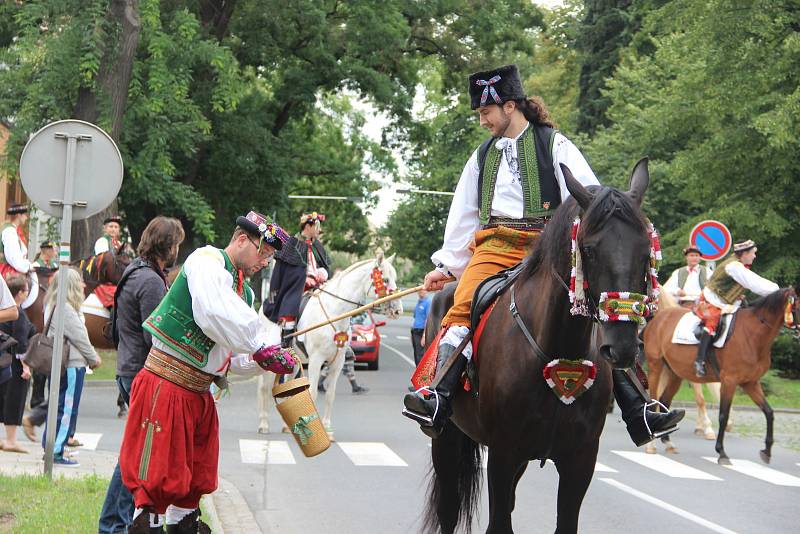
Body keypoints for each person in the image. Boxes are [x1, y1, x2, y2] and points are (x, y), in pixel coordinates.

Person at [402, 64, 685, 442]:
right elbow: (464, 214)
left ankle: (638, 407)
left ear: (509, 106)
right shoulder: (481, 157)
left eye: (486, 112)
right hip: (494, 247)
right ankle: (437, 394)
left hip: (549, 249)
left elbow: (591, 200)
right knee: (462, 304)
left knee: (595, 307)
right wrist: (448, 265)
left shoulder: (555, 144)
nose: (482, 121)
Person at [120, 212, 297, 534]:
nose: (264, 262)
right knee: (155, 483)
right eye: (264, 253)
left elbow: (229, 358)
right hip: (167, 385)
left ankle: (183, 524)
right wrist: (259, 345)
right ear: (242, 240)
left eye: (270, 258)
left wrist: (265, 360)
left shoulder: (246, 295)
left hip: (200, 394)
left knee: (193, 484)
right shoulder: (206, 260)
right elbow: (213, 312)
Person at [98, 216, 185, 534]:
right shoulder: (149, 280)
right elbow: (156, 335)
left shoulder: (137, 270)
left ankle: (119, 522)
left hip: (130, 368)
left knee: (135, 452)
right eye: (176, 243)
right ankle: (113, 525)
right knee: (135, 456)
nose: (177, 249)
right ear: (168, 245)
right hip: (139, 373)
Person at [41, 267, 102, 466]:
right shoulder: (65, 309)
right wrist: (93, 358)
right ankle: (56, 450)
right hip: (72, 365)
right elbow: (80, 337)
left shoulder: (53, 305)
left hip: (60, 364)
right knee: (66, 408)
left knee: (56, 406)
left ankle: (50, 446)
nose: (84, 286)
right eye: (80, 282)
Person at [694, 239, 779, 377]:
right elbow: (755, 284)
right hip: (712, 300)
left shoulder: (739, 265)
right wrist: (778, 291)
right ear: (744, 253)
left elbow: (753, 280)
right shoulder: (734, 266)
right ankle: (700, 360)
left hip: (727, 302)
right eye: (753, 253)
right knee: (712, 322)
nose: (754, 256)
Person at [263, 211, 332, 347]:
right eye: (317, 226)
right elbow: (287, 273)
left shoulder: (317, 246)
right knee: (289, 310)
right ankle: (286, 347)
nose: (320, 230)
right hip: (297, 288)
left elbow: (323, 266)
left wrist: (322, 273)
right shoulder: (291, 244)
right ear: (308, 226)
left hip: (318, 286)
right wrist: (304, 279)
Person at [0, 275, 31, 453]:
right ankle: (11, 440)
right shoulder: (18, 315)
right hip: (13, 362)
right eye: (26, 290)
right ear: (19, 293)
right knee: (14, 400)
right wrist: (26, 365)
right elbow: (20, 342)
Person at [0, 203, 38, 309]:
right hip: (7, 271)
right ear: (18, 215)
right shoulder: (10, 231)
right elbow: (14, 259)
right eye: (24, 214)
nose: (26, 217)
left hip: (9, 268)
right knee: (22, 291)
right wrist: (28, 267)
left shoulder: (11, 229)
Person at [411, 289, 431, 365]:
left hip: (421, 331)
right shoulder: (418, 302)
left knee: (421, 354)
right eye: (419, 291)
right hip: (415, 330)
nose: (421, 292)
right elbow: (415, 318)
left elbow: (427, 319)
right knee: (416, 353)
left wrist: (424, 335)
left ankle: (420, 374)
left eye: (423, 291)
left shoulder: (427, 303)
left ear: (426, 291)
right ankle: (417, 371)